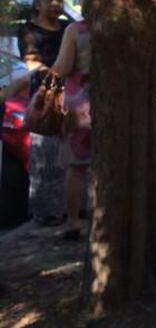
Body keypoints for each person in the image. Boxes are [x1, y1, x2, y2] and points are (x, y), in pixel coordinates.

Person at [20, 0, 70, 226]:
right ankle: (47, 212)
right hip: (45, 99)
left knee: (72, 156)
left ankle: (74, 207)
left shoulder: (68, 29)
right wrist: (56, 73)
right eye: (50, 0)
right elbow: (32, 64)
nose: (56, 4)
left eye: (59, 0)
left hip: (72, 96)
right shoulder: (29, 31)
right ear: (37, 4)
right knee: (46, 156)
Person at [51, 19, 92, 241]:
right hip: (112, 104)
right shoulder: (122, 24)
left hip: (79, 106)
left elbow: (64, 67)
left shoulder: (76, 30)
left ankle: (73, 220)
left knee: (76, 167)